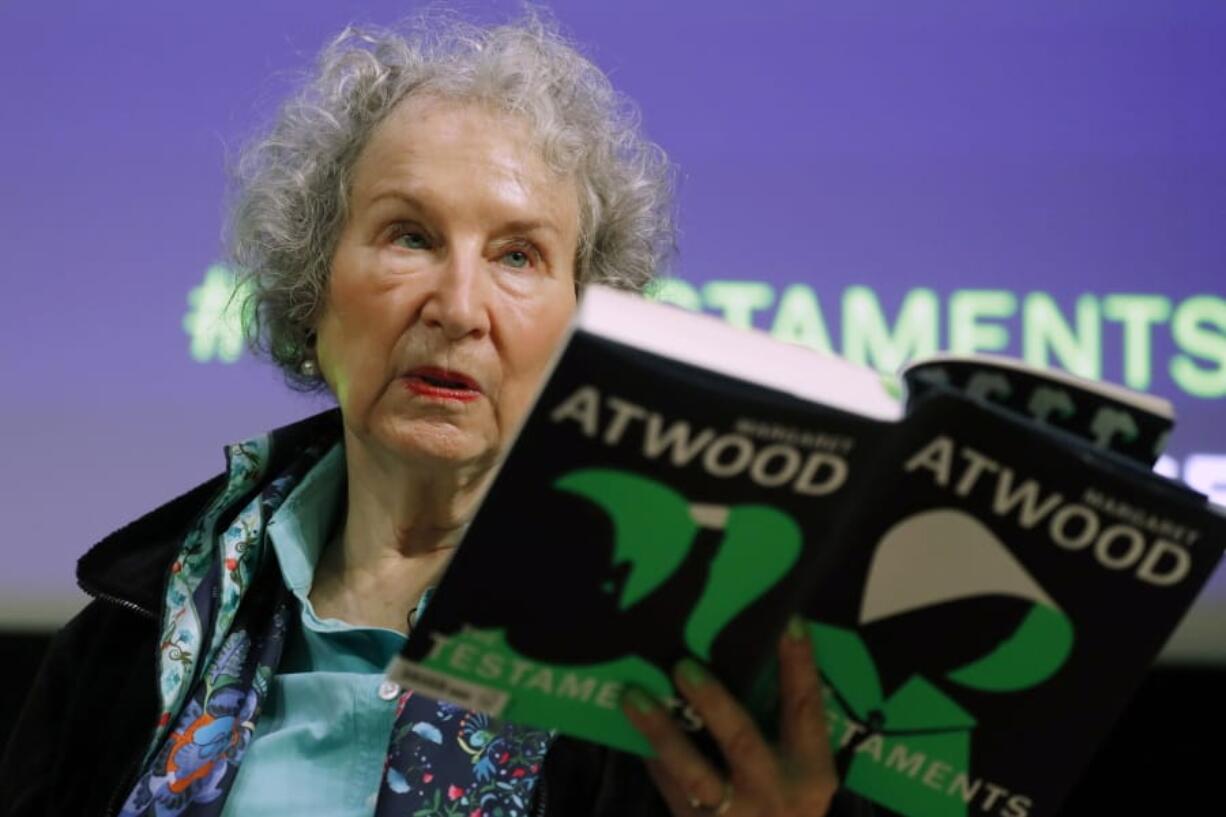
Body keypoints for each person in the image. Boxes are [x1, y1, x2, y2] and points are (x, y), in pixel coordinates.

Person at [0, 13, 863, 817]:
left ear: (582, 326)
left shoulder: (679, 676)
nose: (459, 305)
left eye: (518, 255)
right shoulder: (134, 634)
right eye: (409, 235)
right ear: (312, 293)